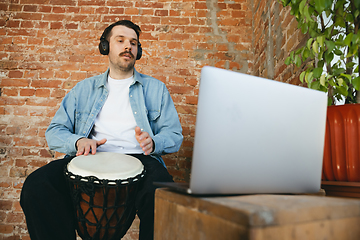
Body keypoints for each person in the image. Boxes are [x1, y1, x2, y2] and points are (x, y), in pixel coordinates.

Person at [20, 20, 183, 240]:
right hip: (90, 156)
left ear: (139, 51)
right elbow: (55, 130)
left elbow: (174, 135)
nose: (128, 46)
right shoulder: (84, 89)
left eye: (134, 43)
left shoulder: (156, 89)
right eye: (121, 40)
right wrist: (79, 142)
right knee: (37, 186)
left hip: (141, 160)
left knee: (165, 199)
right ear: (105, 46)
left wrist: (153, 142)